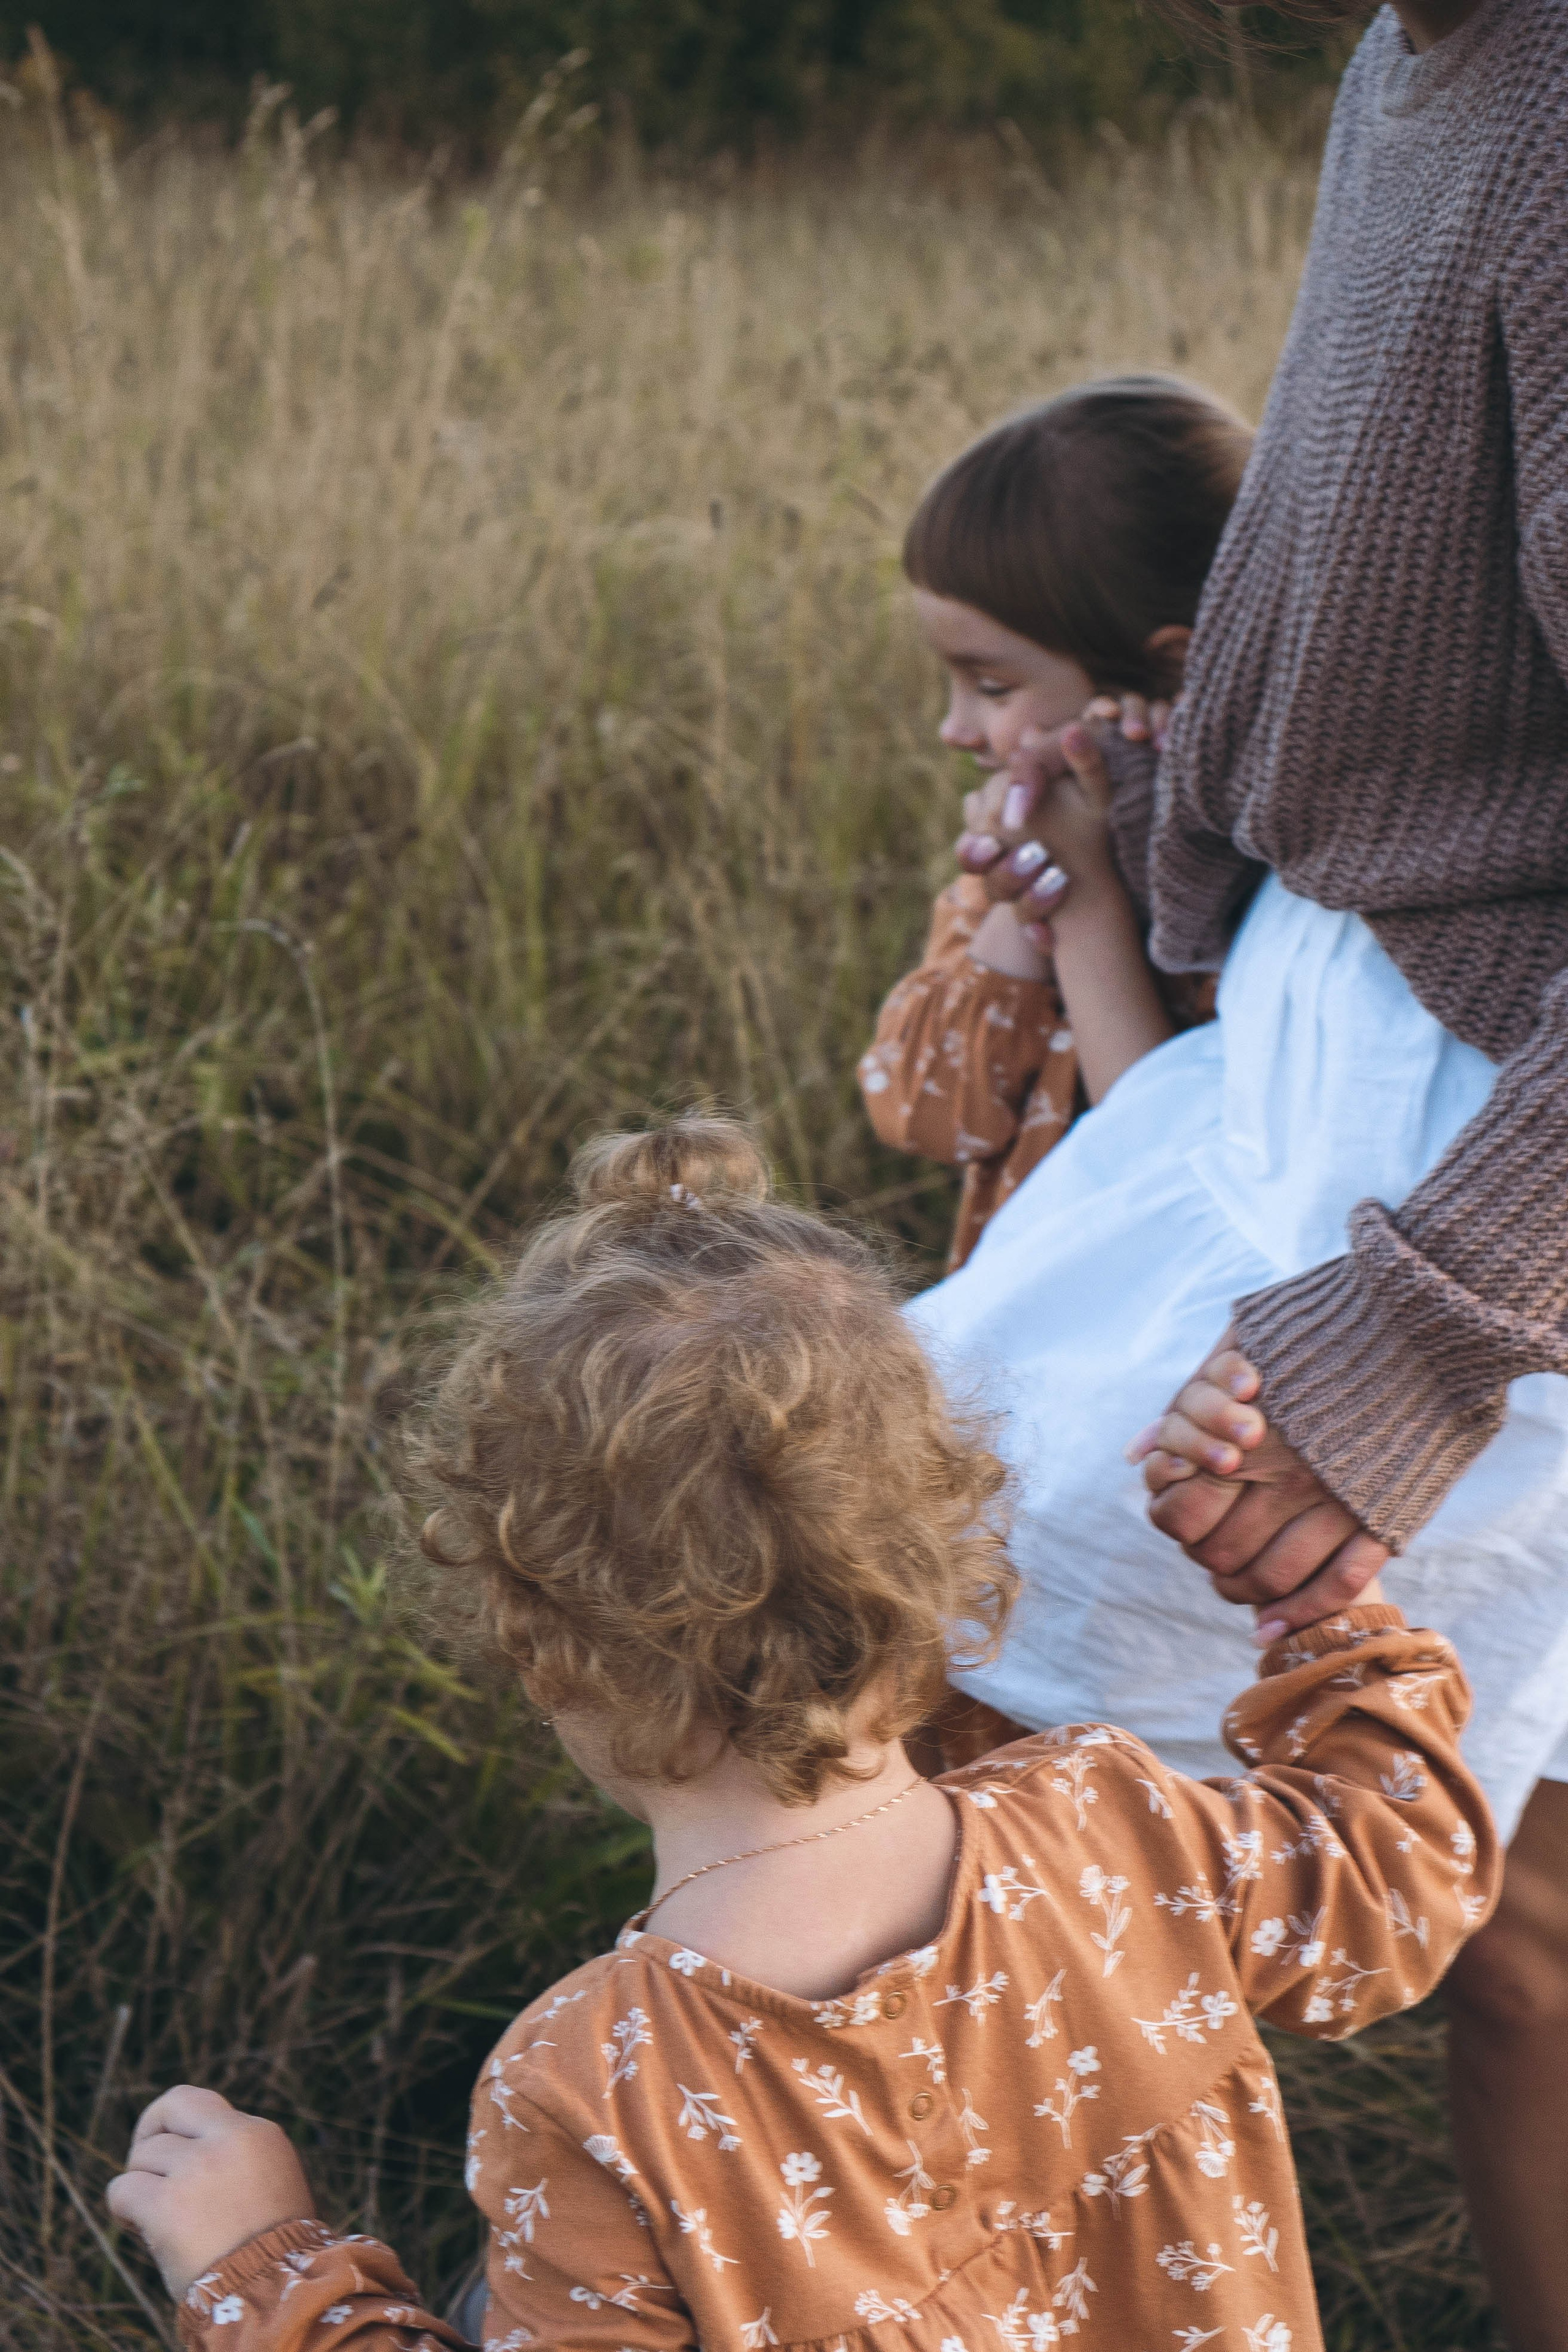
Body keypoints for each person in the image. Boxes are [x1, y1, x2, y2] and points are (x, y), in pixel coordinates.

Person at [107, 1117, 1498, 2352]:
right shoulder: (1111, 1824)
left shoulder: (594, 2090)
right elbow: (1395, 1871)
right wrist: (1326, 1616)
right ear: (945, 1556)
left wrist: (263, 2273)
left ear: (537, 1644)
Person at [905, 0, 1568, 2340]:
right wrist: (1163, 849)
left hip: (1457, 1195)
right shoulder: (1429, 56)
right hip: (1315, 1109)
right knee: (1513, 1919)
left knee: (984, 1749)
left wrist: (1414, 1328)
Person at [859, 376, 1249, 1270]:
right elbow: (922, 1109)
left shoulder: (1258, 893)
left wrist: (1080, 905)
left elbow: (1168, 1182)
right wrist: (1019, 903)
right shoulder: (1004, 865)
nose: (955, 729)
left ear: (1168, 673)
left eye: (993, 687)